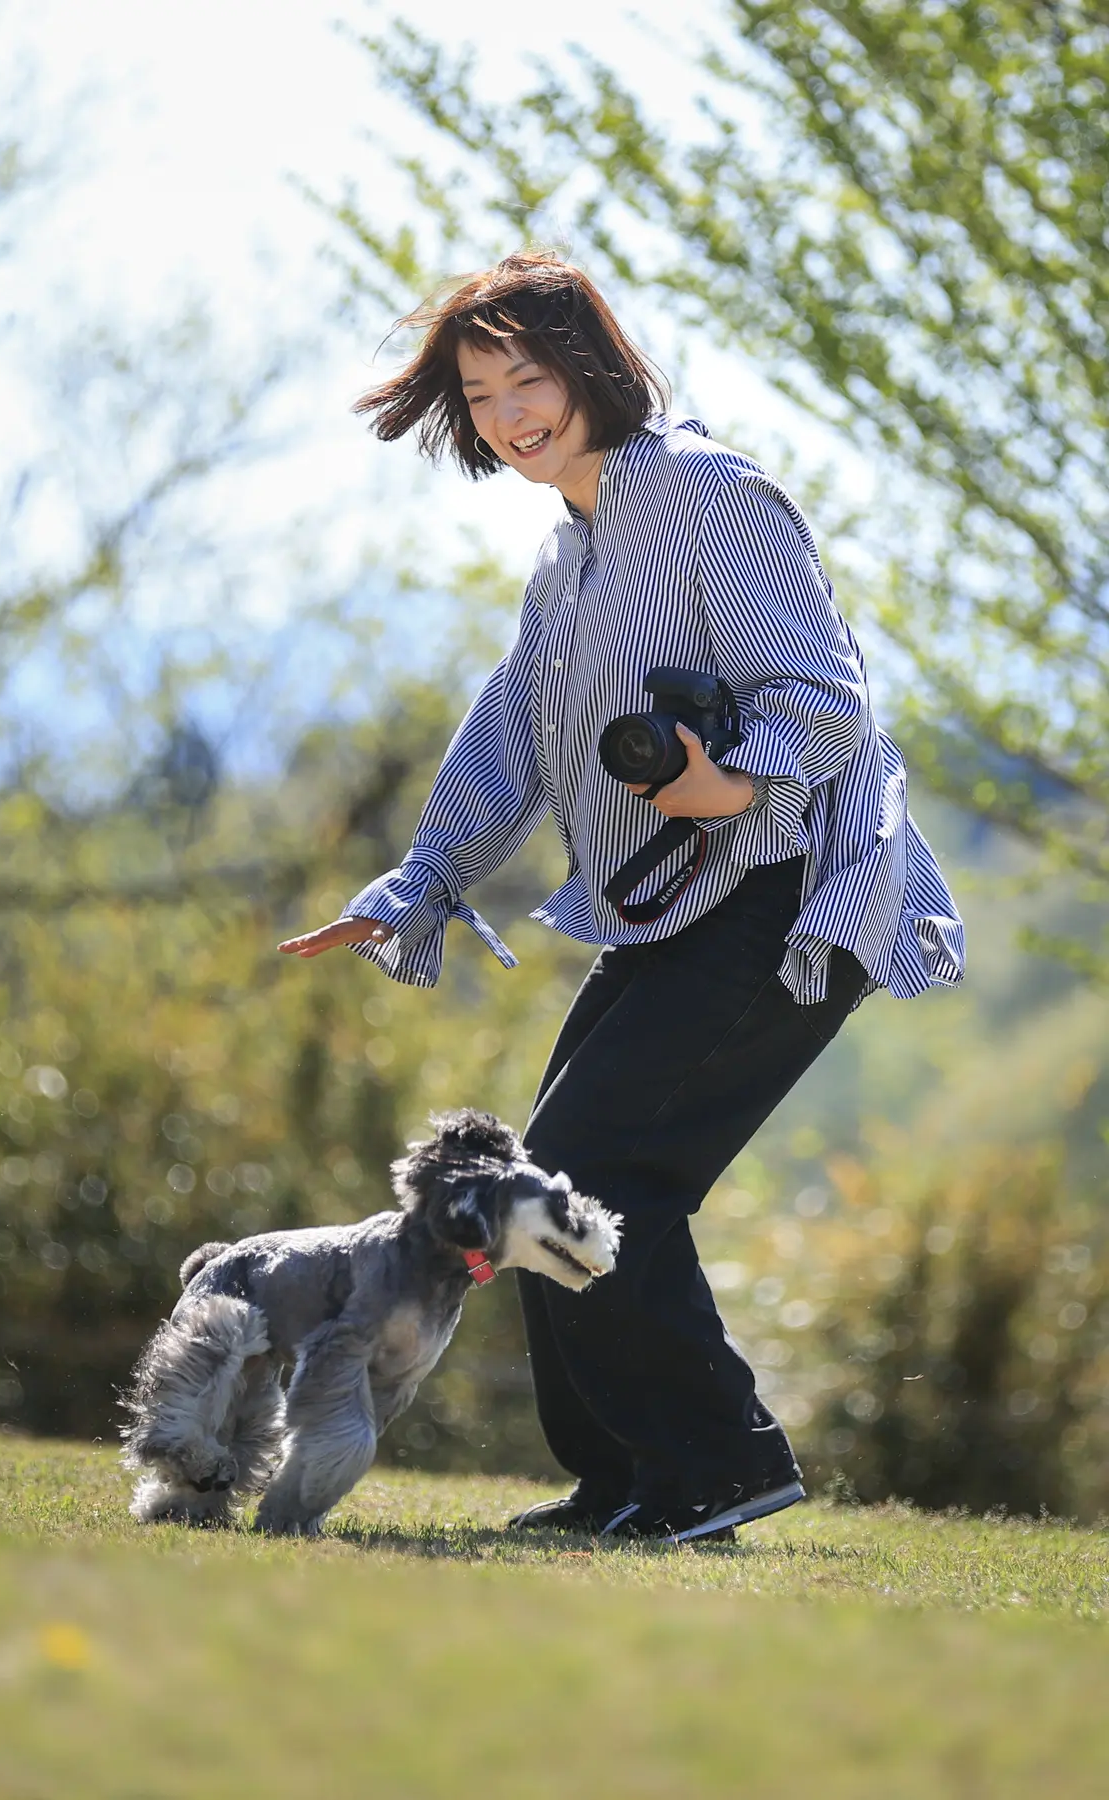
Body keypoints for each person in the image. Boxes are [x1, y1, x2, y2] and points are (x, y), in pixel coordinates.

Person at [279, 253, 964, 1543]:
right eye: (479, 393)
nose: (507, 412)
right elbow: (513, 737)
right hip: (676, 909)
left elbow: (825, 694)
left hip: (795, 891)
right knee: (539, 1182)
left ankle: (715, 1465)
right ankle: (622, 1478)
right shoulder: (571, 551)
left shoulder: (710, 495)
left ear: (596, 366)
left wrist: (726, 781)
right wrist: (419, 883)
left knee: (595, 1174)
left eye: (526, 377)